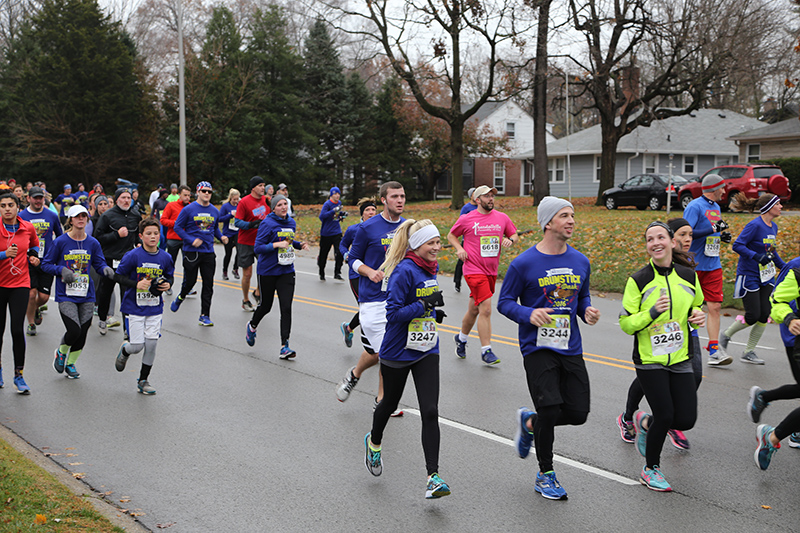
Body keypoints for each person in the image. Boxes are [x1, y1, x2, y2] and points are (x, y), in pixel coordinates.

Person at [497, 196, 599, 501]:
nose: (570, 221)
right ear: (548, 222)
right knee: (551, 408)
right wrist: (528, 314)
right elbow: (504, 302)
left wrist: (587, 311)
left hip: (570, 345)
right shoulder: (524, 263)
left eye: (572, 216)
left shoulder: (580, 261)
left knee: (578, 412)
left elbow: (582, 297)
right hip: (537, 347)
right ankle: (546, 474)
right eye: (564, 216)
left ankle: (530, 422)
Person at [363, 218, 451, 499]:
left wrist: (432, 312)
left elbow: (422, 303)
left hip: (426, 349)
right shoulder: (404, 271)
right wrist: (423, 304)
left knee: (431, 410)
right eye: (431, 242)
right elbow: (393, 314)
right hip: (398, 351)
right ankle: (374, 443)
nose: (437, 247)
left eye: (438, 242)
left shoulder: (430, 268)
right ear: (417, 245)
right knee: (389, 403)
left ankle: (433, 477)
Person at [618, 221, 705, 491]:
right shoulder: (639, 279)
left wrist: (697, 315)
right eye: (649, 239)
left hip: (680, 357)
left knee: (686, 419)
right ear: (647, 246)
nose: (655, 242)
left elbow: (697, 303)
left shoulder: (688, 276)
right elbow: (626, 323)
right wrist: (652, 312)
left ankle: (645, 422)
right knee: (665, 414)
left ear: (671, 242)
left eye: (660, 237)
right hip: (649, 359)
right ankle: (650, 468)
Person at [336, 182, 406, 414]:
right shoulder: (368, 228)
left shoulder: (408, 227)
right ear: (384, 200)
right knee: (378, 353)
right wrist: (369, 271)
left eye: (402, 196)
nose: (400, 200)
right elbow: (353, 259)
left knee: (390, 352)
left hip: (398, 298)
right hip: (373, 298)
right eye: (394, 196)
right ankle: (354, 374)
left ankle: (382, 400)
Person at [41, 205, 114, 379]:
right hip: (66, 294)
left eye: (84, 216)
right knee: (74, 330)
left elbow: (99, 263)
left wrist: (105, 269)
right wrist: (62, 271)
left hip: (86, 294)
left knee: (83, 330)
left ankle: (71, 363)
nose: (81, 219)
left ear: (87, 219)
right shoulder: (61, 242)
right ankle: (61, 351)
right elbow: (46, 264)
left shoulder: (92, 243)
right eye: (77, 216)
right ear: (71, 220)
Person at [448, 185, 518, 365]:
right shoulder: (467, 219)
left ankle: (461, 339)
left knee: (474, 309)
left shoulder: (502, 218)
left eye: (492, 196)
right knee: (486, 308)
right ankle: (486, 351)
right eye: (486, 196)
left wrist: (510, 240)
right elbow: (451, 236)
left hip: (491, 271)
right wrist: (460, 249)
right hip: (473, 269)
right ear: (477, 200)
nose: (491, 199)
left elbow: (514, 234)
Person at [720, 193, 785, 365]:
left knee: (765, 314)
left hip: (767, 275)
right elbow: (737, 245)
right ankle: (726, 334)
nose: (781, 207)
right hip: (749, 274)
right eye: (778, 204)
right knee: (753, 314)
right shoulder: (754, 225)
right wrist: (756, 257)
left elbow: (771, 251)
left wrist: (786, 267)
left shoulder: (774, 227)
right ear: (769, 207)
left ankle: (748, 352)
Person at [113, 217, 174, 395]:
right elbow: (118, 276)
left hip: (154, 307)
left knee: (152, 344)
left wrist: (168, 284)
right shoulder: (132, 256)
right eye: (149, 234)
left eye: (156, 233)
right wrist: (135, 284)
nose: (153, 237)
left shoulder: (165, 257)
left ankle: (143, 380)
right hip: (134, 308)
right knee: (137, 346)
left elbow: (169, 277)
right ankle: (125, 350)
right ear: (141, 236)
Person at [749, 257, 800, 469]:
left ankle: (765, 399)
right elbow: (776, 300)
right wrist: (789, 318)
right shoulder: (797, 269)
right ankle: (772, 437)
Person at [244, 194, 309, 357]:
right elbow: (258, 248)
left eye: (285, 204)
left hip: (286, 271)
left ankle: (284, 345)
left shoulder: (291, 222)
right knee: (266, 306)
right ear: (273, 208)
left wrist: (298, 245)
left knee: (286, 308)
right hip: (267, 271)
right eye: (279, 205)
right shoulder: (267, 223)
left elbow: (289, 241)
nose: (283, 207)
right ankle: (252, 326)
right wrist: (275, 245)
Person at [683, 174, 733, 366]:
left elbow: (713, 232)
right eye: (722, 187)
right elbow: (687, 232)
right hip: (693, 264)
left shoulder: (717, 207)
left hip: (713, 264)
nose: (724, 191)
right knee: (689, 308)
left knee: (715, 306)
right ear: (714, 188)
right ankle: (685, 345)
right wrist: (713, 229)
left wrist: (721, 237)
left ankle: (713, 350)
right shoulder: (695, 206)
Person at [170, 181, 228, 326]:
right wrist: (191, 240)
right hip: (191, 251)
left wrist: (221, 237)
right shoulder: (189, 209)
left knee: (208, 284)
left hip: (208, 252)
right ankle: (181, 296)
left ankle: (204, 315)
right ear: (198, 192)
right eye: (204, 191)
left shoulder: (214, 210)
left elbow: (214, 228)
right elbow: (178, 227)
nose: (207, 194)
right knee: (190, 282)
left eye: (209, 191)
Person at [0, 193, 40, 393]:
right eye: (3, 206)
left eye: (10, 205)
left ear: (18, 207)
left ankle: (19, 375)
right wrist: (3, 255)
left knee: (17, 330)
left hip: (20, 284)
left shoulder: (27, 227)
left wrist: (33, 257)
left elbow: (34, 245)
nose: (7, 209)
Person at [93, 188, 142, 335]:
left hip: (127, 260)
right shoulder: (107, 216)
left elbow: (136, 235)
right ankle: (102, 318)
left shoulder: (135, 215)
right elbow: (98, 238)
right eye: (123, 198)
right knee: (105, 291)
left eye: (128, 198)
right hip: (109, 259)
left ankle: (127, 329)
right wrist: (116, 235)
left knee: (126, 293)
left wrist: (139, 243)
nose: (127, 200)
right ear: (116, 200)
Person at [19, 186, 63, 337]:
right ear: (28, 199)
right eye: (35, 198)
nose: (38, 201)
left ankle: (34, 308)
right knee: (31, 294)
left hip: (47, 260)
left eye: (40, 198)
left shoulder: (52, 215)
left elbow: (60, 236)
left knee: (43, 297)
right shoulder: (22, 216)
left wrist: (59, 256)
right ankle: (31, 323)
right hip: (28, 260)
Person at [339, 197, 378, 348]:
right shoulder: (354, 230)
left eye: (373, 209)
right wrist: (345, 255)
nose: (371, 212)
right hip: (357, 275)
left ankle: (348, 328)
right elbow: (343, 244)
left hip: (375, 274)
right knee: (366, 308)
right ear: (362, 214)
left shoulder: (381, 229)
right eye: (367, 210)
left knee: (376, 308)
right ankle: (372, 347)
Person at [234, 176, 269, 311]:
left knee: (265, 270)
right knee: (247, 274)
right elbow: (237, 222)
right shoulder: (244, 202)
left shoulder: (266, 201)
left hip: (262, 241)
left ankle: (257, 292)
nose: (262, 188)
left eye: (263, 185)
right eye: (260, 185)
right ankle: (245, 299)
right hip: (245, 242)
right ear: (253, 187)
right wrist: (250, 224)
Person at [318, 186, 346, 281]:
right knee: (323, 254)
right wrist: (333, 211)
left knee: (339, 252)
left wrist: (341, 216)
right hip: (326, 233)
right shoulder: (327, 204)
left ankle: (337, 272)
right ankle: (321, 272)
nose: (337, 196)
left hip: (336, 231)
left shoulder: (339, 203)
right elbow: (322, 217)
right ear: (331, 195)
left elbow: (336, 216)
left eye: (338, 194)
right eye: (335, 194)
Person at [160, 185, 192, 267]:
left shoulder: (192, 207)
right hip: (173, 238)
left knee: (188, 264)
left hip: (187, 239)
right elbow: (163, 220)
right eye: (185, 195)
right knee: (170, 263)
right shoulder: (171, 205)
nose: (187, 197)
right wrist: (175, 223)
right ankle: (169, 279)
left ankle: (187, 280)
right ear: (179, 195)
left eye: (189, 195)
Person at [453, 187, 477, 293]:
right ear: (470, 196)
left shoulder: (481, 207)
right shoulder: (467, 208)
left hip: (478, 239)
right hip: (467, 239)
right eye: (474, 194)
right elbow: (461, 222)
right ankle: (457, 281)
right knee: (462, 260)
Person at [219, 188, 240, 281]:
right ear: (230, 198)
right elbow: (220, 219)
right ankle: (225, 271)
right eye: (234, 199)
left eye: (237, 199)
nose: (236, 201)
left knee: (239, 251)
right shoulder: (225, 206)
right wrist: (230, 215)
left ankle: (235, 269)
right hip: (228, 233)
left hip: (237, 231)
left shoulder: (240, 205)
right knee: (228, 253)